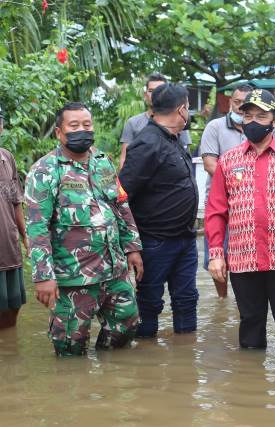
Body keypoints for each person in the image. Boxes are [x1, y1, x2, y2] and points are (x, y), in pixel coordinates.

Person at [24, 102, 143, 356]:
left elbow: (121, 205)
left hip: (114, 269)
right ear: (59, 132)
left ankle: (109, 384)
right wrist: (44, 276)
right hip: (73, 277)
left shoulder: (103, 162)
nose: (82, 130)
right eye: (74, 125)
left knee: (126, 327)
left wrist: (132, 247)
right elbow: (37, 227)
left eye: (87, 125)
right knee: (70, 346)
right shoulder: (44, 171)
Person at [206, 89, 275, 352]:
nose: (253, 121)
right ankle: (251, 384)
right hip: (243, 257)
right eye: (248, 115)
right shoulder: (228, 161)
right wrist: (216, 254)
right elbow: (216, 211)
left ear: (274, 121)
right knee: (250, 323)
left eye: (261, 116)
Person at [119, 83, 199, 338]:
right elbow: (121, 196)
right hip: (155, 242)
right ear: (181, 109)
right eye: (188, 107)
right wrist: (132, 246)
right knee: (150, 304)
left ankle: (186, 362)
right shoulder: (147, 143)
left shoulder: (174, 139)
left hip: (185, 239)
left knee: (187, 300)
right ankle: (146, 362)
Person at [200, 84, 253, 298]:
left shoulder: (262, 127)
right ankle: (221, 301)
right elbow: (210, 164)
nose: (240, 108)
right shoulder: (215, 127)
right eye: (236, 102)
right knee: (217, 256)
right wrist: (242, 182)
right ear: (230, 102)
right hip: (220, 204)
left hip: (250, 205)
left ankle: (245, 303)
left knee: (247, 259)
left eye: (244, 104)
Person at [119, 73, 191, 169]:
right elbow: (124, 159)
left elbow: (186, 158)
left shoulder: (179, 121)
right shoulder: (133, 123)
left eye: (160, 90)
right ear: (145, 95)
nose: (155, 94)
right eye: (151, 91)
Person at [0, 104, 28, 329]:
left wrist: (25, 236)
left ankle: (10, 353)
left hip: (8, 245)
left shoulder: (6, 158)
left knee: (13, 306)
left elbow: (16, 201)